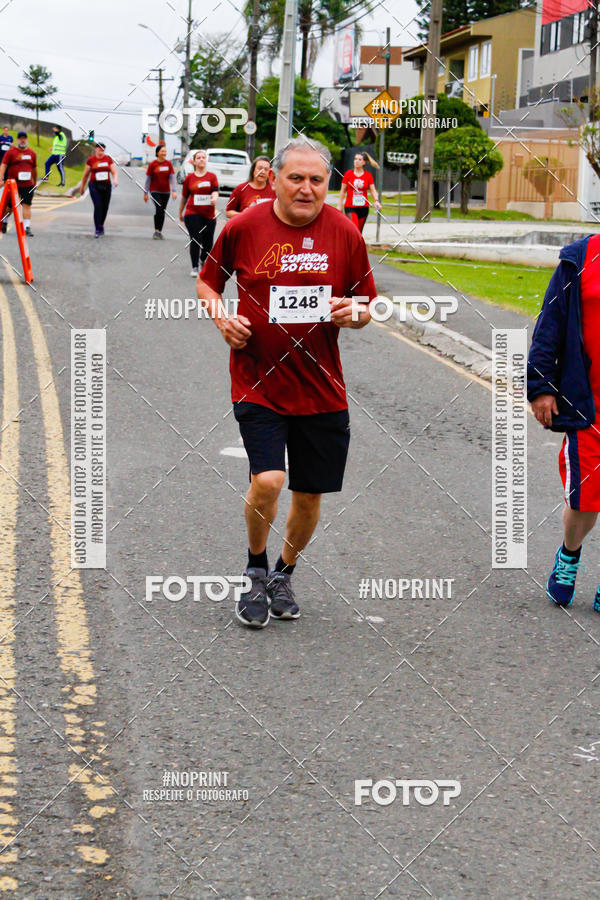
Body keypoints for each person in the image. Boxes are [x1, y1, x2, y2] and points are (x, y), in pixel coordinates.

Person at [197, 136, 377, 628]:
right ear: (274, 179)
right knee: (269, 479)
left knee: (309, 494)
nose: (306, 188)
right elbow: (208, 282)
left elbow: (366, 303)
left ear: (328, 183)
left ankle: (284, 573)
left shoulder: (345, 232)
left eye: (316, 179)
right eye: (295, 178)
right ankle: (255, 569)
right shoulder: (244, 226)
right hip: (257, 379)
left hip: (322, 387)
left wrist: (355, 313)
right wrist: (221, 318)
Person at [528, 232, 600, 610]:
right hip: (587, 404)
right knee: (584, 498)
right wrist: (541, 385)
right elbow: (551, 322)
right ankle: (570, 552)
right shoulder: (580, 258)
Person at [179, 149, 218, 277]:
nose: (201, 159)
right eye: (199, 158)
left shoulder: (212, 177)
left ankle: (202, 259)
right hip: (192, 212)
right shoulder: (189, 178)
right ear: (194, 162)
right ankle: (195, 267)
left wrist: (214, 198)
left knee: (208, 243)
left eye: (203, 157)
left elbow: (215, 191)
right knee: (196, 239)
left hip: (209, 214)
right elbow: (184, 197)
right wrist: (180, 212)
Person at [0, 131, 37, 236]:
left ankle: (26, 227)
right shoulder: (11, 152)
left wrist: (34, 181)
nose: (22, 140)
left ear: (27, 140)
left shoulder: (32, 153)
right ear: (17, 140)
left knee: (27, 205)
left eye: (24, 138)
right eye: (20, 138)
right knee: (10, 206)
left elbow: (34, 168)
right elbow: (3, 165)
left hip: (27, 184)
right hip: (13, 184)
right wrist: (1, 178)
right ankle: (5, 221)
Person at [78, 142, 118, 237]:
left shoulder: (108, 159)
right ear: (96, 149)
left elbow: (114, 172)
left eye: (103, 149)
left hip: (106, 185)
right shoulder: (91, 160)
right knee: (98, 206)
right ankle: (97, 229)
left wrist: (115, 180)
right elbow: (85, 175)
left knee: (105, 207)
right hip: (94, 185)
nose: (101, 150)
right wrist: (82, 187)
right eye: (99, 148)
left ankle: (101, 225)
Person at [338, 152, 382, 233]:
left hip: (363, 207)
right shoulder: (348, 174)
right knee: (354, 229)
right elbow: (343, 191)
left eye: (359, 159)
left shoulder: (368, 175)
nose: (356, 161)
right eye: (355, 159)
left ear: (364, 162)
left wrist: (376, 201)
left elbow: (372, 190)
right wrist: (339, 205)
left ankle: (355, 242)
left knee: (359, 232)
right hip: (350, 207)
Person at [144, 144, 177, 239]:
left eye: (165, 151)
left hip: (166, 191)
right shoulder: (152, 164)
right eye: (162, 151)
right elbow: (148, 179)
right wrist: (145, 192)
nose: (164, 153)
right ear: (157, 153)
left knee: (162, 211)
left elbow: (172, 178)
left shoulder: (168, 164)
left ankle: (159, 231)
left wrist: (174, 190)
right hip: (155, 190)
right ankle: (156, 231)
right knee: (159, 208)